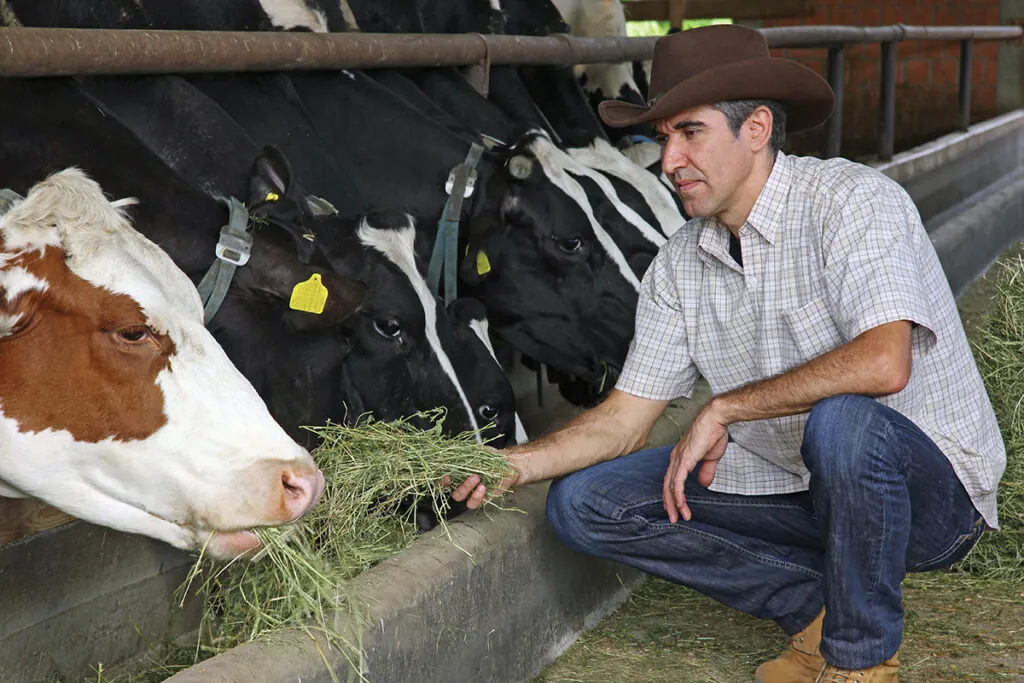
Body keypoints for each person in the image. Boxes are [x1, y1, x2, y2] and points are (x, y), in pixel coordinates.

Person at [451, 23, 1006, 683]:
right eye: (663, 139)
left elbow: (886, 362)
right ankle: (811, 610)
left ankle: (860, 662)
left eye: (691, 133)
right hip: (796, 487)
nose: (669, 161)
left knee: (843, 422)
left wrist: (727, 407)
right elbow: (625, 418)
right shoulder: (681, 262)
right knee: (584, 503)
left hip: (930, 502)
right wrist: (517, 462)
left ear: (757, 129)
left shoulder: (855, 203)